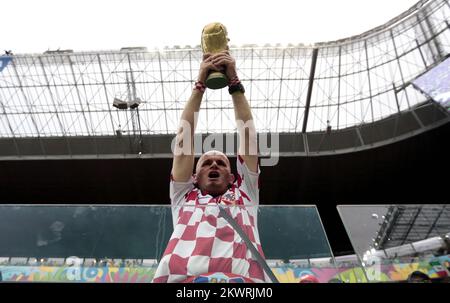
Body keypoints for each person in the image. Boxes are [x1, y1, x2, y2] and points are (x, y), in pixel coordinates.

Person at [152, 50, 269, 283]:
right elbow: (184, 139)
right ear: (194, 176)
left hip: (243, 284)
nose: (214, 163)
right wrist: (199, 84)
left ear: (233, 176)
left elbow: (248, 134)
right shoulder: (183, 195)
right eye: (206, 162)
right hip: (182, 282)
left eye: (222, 163)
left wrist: (234, 82)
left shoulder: (245, 192)